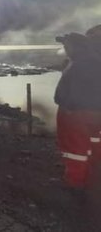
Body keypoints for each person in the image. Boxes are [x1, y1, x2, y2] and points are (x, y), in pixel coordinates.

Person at [54, 32, 101, 191]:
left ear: (76, 47)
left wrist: (67, 107)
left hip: (76, 114)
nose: (65, 49)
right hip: (97, 113)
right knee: (95, 143)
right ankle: (94, 176)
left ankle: (75, 183)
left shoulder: (77, 65)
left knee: (75, 150)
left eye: (67, 46)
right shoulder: (96, 61)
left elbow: (66, 94)